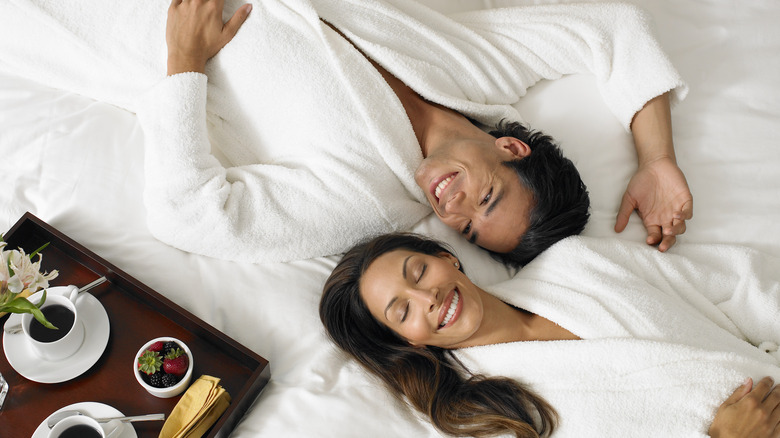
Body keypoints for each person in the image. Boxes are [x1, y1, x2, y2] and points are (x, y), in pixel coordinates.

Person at [0, 0, 692, 264]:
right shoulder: (473, 68)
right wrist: (656, 159)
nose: (451, 211)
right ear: (512, 149)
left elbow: (193, 217)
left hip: (121, 20)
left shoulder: (366, 201)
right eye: (486, 200)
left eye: (469, 232)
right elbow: (613, 25)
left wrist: (182, 63)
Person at [320, 232, 780, 437]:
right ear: (407, 342)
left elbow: (736, 286)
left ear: (446, 257)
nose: (429, 298)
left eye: (419, 271)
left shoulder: (576, 262)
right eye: (402, 310)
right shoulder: (479, 419)